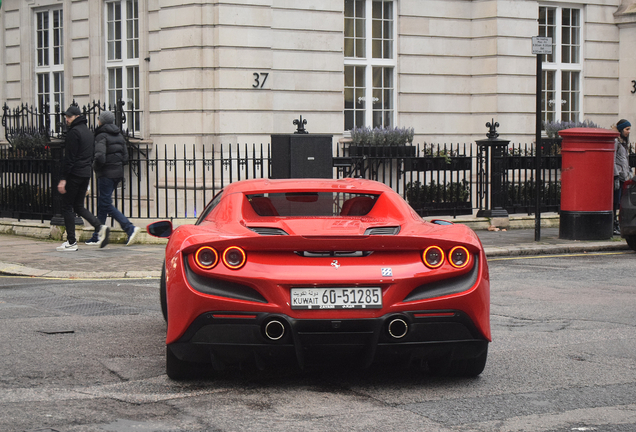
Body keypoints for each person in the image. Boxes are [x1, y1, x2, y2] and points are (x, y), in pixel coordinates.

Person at [57, 105, 110, 251]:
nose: (66, 119)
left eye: (69, 116)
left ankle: (71, 242)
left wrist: (63, 179)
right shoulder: (88, 132)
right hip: (85, 174)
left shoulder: (74, 133)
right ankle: (100, 227)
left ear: (76, 117)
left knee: (67, 206)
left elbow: (69, 158)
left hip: (74, 174)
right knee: (78, 206)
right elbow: (91, 155)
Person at [85, 110, 141, 246]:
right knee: (103, 204)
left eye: (99, 119)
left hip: (106, 174)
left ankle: (129, 228)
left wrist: (95, 167)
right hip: (117, 174)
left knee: (105, 203)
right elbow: (125, 157)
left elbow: (99, 156)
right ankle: (98, 234)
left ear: (102, 121)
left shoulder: (101, 135)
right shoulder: (119, 135)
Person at [613, 118, 631, 235]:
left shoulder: (624, 143)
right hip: (618, 177)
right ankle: (613, 224)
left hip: (624, 177)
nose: (629, 131)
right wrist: (615, 176)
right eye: (627, 129)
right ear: (620, 130)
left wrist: (628, 173)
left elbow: (625, 161)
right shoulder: (616, 142)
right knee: (615, 202)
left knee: (621, 203)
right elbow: (612, 160)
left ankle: (618, 224)